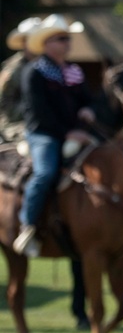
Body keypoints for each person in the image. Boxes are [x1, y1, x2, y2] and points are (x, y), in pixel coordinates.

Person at [13, 15, 94, 257]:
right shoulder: (34, 72)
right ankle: (27, 224)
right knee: (45, 173)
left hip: (76, 134)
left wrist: (89, 109)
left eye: (67, 38)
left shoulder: (73, 71)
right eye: (61, 39)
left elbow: (86, 99)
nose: (67, 43)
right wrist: (69, 132)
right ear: (47, 43)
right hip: (43, 134)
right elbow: (40, 113)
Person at [0, 17, 41, 142]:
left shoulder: (44, 65)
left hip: (38, 120)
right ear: (24, 42)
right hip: (13, 124)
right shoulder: (14, 68)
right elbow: (2, 101)